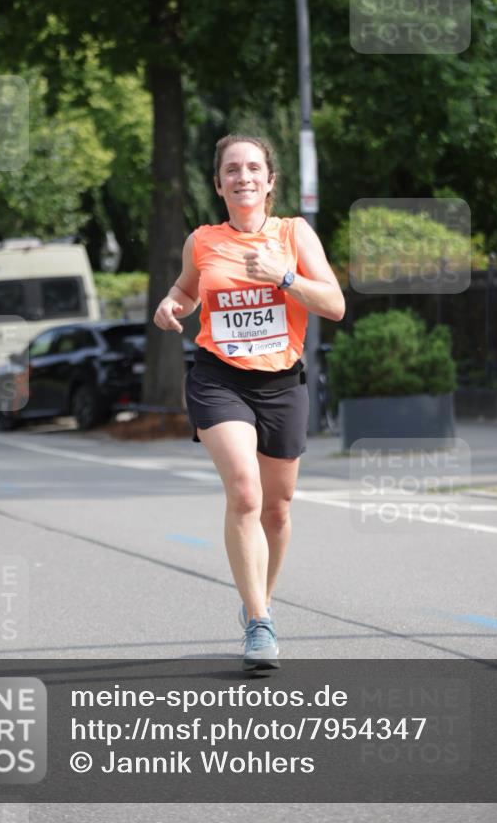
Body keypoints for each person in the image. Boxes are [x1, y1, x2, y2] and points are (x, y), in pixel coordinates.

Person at [154, 134, 345, 670]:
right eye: (232, 170)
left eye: (253, 168)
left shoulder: (293, 235)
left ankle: (256, 599)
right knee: (245, 491)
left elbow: (334, 304)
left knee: (278, 510)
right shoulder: (203, 240)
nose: (243, 177)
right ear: (218, 184)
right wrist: (170, 306)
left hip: (283, 381)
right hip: (220, 379)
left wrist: (284, 277)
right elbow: (187, 291)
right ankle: (261, 624)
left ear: (269, 180)